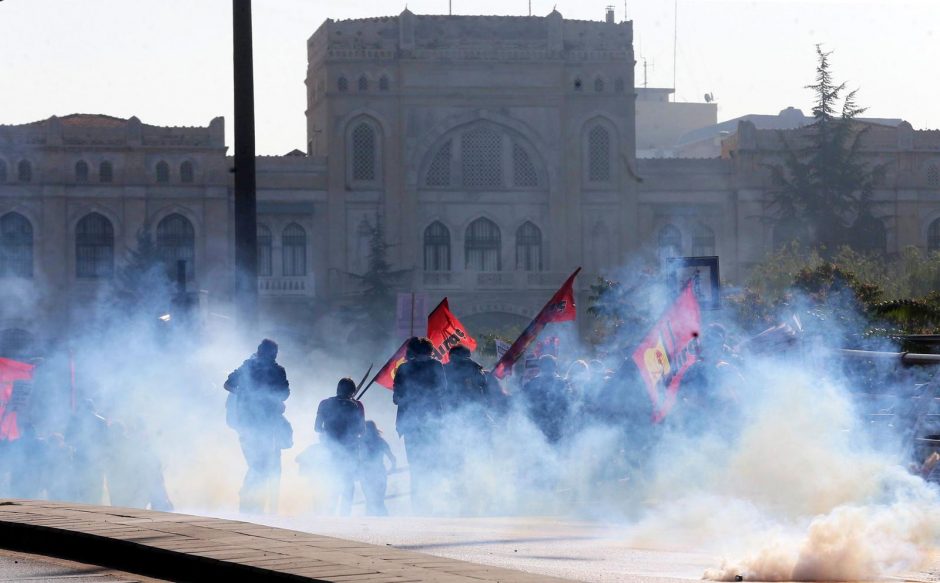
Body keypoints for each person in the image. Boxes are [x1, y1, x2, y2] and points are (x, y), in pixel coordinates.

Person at [224, 339, 292, 514]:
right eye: (270, 353)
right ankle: (249, 501)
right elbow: (228, 384)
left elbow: (284, 393)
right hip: (249, 422)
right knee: (259, 464)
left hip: (267, 423)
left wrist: (268, 397)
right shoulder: (248, 366)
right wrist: (246, 394)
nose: (272, 356)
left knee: (264, 465)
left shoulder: (277, 371)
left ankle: (253, 503)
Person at [393, 336, 446, 513]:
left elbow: (396, 398)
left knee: (415, 465)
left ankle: (417, 505)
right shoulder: (436, 366)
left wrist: (410, 398)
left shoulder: (403, 368)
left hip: (411, 423)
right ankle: (432, 504)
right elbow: (442, 390)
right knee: (432, 464)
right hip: (433, 422)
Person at [314, 378, 365, 515]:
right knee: (348, 480)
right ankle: (345, 513)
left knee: (332, 479)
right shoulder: (357, 405)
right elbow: (361, 430)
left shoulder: (324, 404)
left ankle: (330, 511)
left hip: (330, 448)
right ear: (353, 391)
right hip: (350, 448)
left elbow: (317, 427)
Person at [520, 354, 572, 444]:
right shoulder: (562, 384)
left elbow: (524, 406)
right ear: (555, 367)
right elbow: (568, 406)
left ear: (539, 367)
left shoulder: (531, 384)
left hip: (540, 428)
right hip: (553, 427)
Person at [359, 420, 396, 516]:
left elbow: (392, 458)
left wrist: (392, 468)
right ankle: (378, 522)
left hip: (374, 473)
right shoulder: (363, 442)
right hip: (370, 474)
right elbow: (393, 459)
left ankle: (379, 522)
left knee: (376, 501)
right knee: (373, 501)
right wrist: (392, 468)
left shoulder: (362, 442)